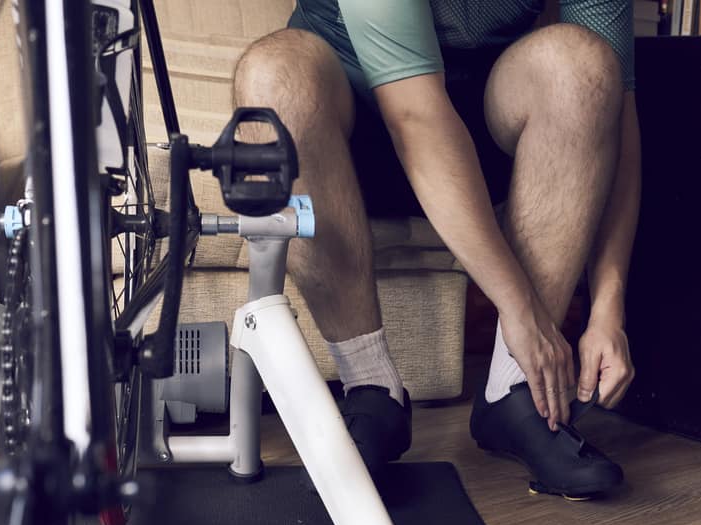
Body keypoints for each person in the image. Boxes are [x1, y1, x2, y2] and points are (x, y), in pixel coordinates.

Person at [232, 0, 639, 498]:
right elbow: (414, 118)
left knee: (585, 67)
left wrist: (607, 309)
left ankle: (515, 393)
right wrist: (517, 307)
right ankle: (372, 390)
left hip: (478, 119)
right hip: (349, 125)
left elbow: (619, 117)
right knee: (270, 75)